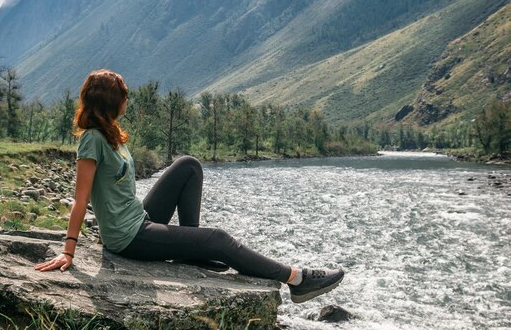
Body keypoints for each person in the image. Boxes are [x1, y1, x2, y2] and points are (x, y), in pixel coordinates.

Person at [33, 69, 344, 303]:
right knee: (219, 239)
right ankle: (297, 279)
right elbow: (80, 198)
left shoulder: (110, 133)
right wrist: (68, 251)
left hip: (139, 219)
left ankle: (191, 251)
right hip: (128, 238)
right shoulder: (92, 139)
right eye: (124, 95)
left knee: (189, 165)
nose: (127, 99)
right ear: (113, 101)